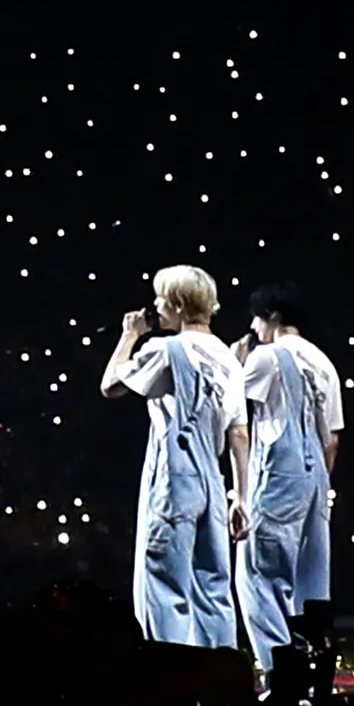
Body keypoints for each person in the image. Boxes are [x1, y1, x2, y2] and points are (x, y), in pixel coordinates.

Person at [100, 265, 248, 648]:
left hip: (174, 474)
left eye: (161, 298)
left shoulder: (163, 349)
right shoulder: (228, 359)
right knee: (213, 590)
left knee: (164, 587)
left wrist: (129, 335)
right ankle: (219, 693)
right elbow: (239, 433)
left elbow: (111, 385)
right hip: (213, 481)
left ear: (179, 305)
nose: (155, 305)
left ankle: (171, 688)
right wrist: (241, 496)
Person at [232, 282, 337, 679]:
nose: (255, 326)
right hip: (315, 478)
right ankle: (315, 673)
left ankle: (283, 675)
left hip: (277, 472)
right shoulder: (323, 361)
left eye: (258, 318)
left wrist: (234, 362)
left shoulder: (267, 357)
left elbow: (232, 416)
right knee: (309, 587)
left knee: (258, 577)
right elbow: (333, 436)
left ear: (273, 317)